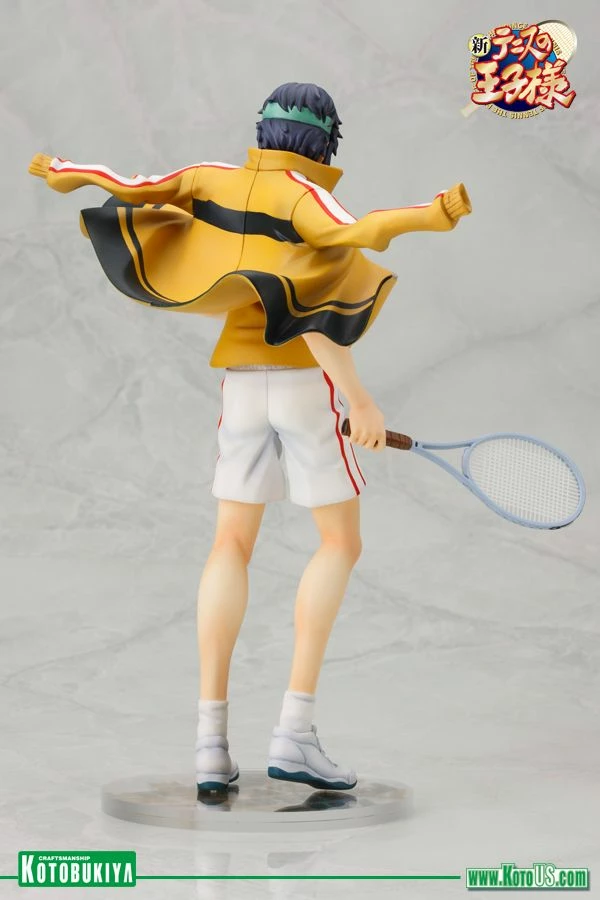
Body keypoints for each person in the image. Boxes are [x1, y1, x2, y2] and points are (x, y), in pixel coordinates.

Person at [29, 81, 472, 793]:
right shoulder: (305, 198)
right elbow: (333, 270)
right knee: (339, 543)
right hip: (303, 384)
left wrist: (65, 172)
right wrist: (430, 219)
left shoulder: (215, 178)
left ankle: (209, 743)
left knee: (229, 545)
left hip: (239, 386)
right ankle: (295, 733)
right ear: (325, 142)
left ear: (262, 131)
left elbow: (134, 186)